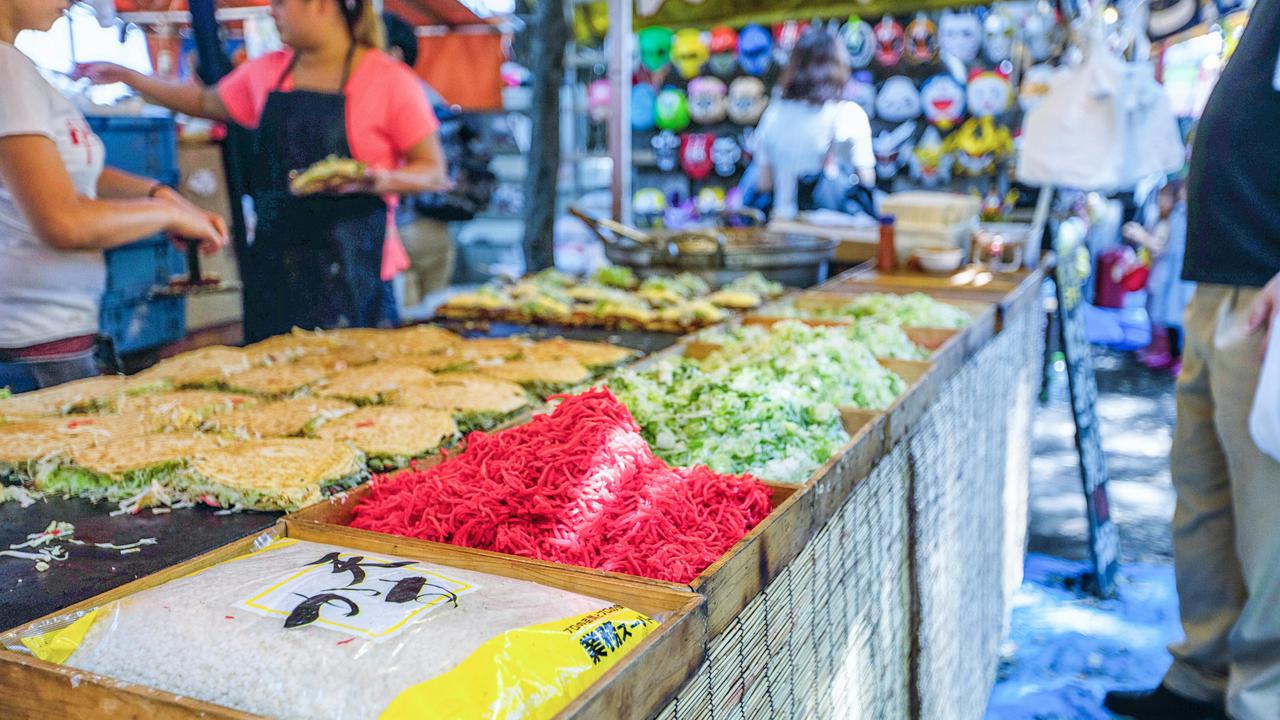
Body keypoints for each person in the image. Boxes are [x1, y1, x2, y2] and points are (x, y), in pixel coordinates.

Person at [1103, 1, 1280, 718]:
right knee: (1204, 496)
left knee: (1268, 522)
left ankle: (1259, 698)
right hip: (1223, 279)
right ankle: (1201, 676)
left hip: (1267, 292)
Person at [82, 0, 449, 343]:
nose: (273, 13)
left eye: (281, 3)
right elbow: (204, 101)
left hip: (357, 274)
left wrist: (376, 180)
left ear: (320, 5)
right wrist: (128, 77)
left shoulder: (388, 79)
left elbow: (433, 172)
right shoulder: (270, 70)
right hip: (276, 270)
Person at [0, 0, 228, 392]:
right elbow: (64, 223)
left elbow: (68, 170)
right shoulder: (6, 72)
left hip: (56, 338)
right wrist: (163, 215)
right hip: (37, 350)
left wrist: (160, 193)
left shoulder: (17, 68)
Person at [745, 27, 875, 220]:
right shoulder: (849, 114)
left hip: (784, 229)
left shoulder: (774, 114)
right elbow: (866, 179)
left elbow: (764, 183)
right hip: (838, 234)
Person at [380, 11, 456, 313]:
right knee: (437, 309)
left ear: (394, 54)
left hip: (406, 225)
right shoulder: (433, 95)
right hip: (437, 225)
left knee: (410, 321)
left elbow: (433, 169)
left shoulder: (397, 93)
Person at [1122, 177, 1194, 374]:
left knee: (1176, 318)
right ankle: (1168, 354)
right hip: (1167, 275)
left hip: (1177, 277)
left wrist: (1141, 236)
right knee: (1163, 315)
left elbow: (1162, 247)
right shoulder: (1175, 216)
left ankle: (1175, 356)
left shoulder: (1182, 216)